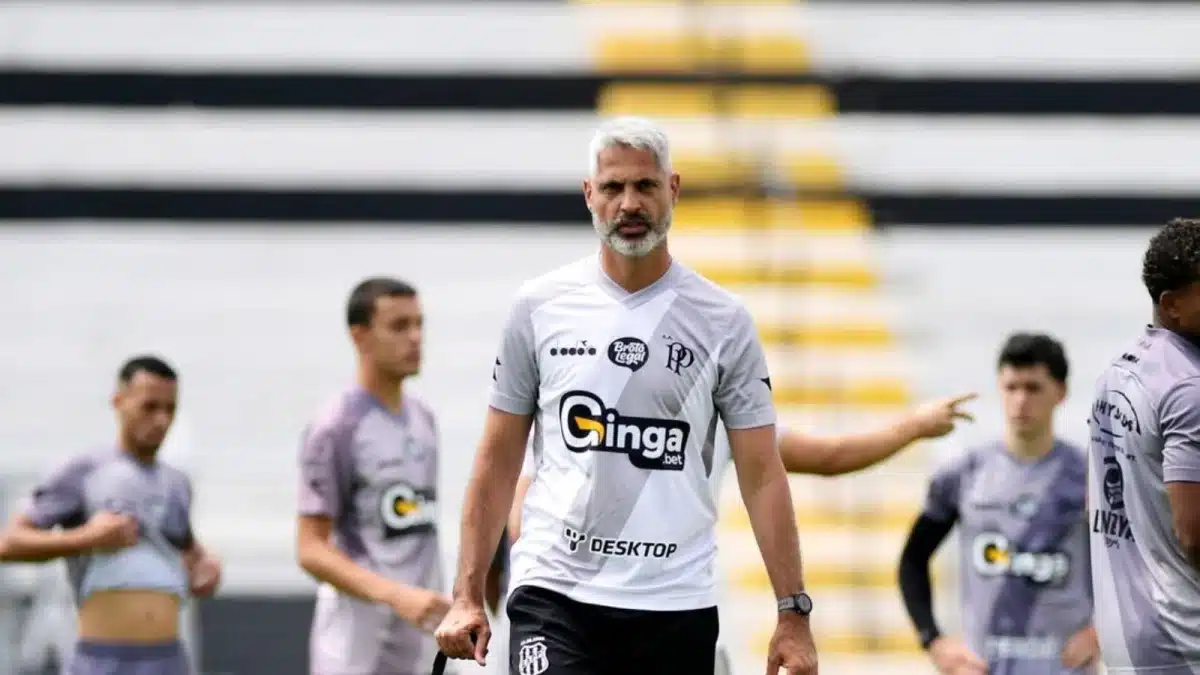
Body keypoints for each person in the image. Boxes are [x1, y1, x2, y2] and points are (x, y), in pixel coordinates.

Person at [435, 116, 818, 675]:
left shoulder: (724, 321)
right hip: (556, 595)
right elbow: (496, 462)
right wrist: (467, 594)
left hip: (674, 601)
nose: (629, 204)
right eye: (613, 187)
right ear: (590, 195)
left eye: (645, 186)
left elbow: (762, 473)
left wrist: (793, 612)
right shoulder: (538, 308)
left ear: (674, 189)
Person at [294, 277, 506, 675]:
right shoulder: (335, 426)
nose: (415, 338)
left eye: (419, 324)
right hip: (356, 639)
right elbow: (310, 548)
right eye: (399, 326)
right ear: (360, 336)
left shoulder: (423, 418)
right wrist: (396, 596)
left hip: (421, 635)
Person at [0, 355, 222, 675]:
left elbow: (186, 551)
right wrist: (87, 538)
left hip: (168, 658)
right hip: (103, 659)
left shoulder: (177, 482)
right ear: (119, 401)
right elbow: (9, 544)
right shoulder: (84, 470)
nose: (161, 420)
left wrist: (204, 569)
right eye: (150, 407)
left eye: (169, 409)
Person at [507, 393, 980, 541]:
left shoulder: (717, 406)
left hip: (669, 613)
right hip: (575, 614)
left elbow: (829, 457)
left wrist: (912, 427)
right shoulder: (579, 407)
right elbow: (518, 520)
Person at [898, 333, 1098, 675]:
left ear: (1060, 393)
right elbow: (913, 560)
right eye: (1011, 387)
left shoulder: (1090, 477)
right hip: (985, 666)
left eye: (1033, 388)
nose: (1020, 400)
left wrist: (1103, 633)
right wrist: (934, 641)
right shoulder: (964, 474)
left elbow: (1140, 565)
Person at [1086, 217, 1200, 674]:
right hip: (1184, 634)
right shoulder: (1188, 388)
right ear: (1172, 305)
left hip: (1128, 631)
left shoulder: (1116, 373)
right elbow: (1194, 536)